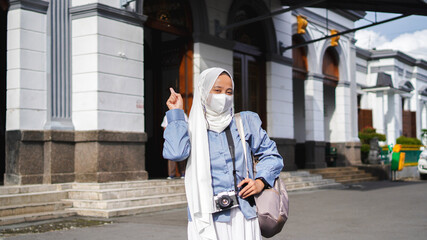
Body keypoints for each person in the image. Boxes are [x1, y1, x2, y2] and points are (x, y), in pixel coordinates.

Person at [163, 67, 283, 240]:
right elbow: (176, 153)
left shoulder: (245, 122)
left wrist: (261, 181)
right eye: (217, 90)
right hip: (206, 217)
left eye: (229, 92)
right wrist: (176, 112)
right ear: (204, 92)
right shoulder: (190, 128)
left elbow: (271, 154)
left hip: (243, 215)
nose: (224, 97)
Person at [161, 115, 187, 179]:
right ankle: (171, 174)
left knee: (182, 155)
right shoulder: (167, 115)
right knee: (171, 156)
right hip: (171, 138)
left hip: (181, 137)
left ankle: (183, 173)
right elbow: (165, 127)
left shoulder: (183, 115)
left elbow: (187, 125)